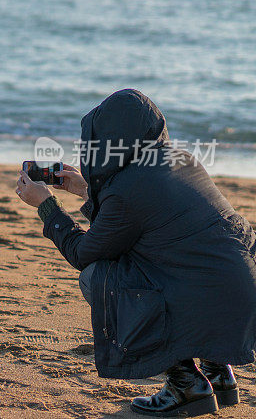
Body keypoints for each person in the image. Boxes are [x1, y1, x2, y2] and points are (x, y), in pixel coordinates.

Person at [15, 89, 256, 417]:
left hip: (207, 297)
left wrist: (46, 206)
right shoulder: (181, 160)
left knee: (96, 278)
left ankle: (184, 383)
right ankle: (218, 372)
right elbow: (143, 220)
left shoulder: (127, 190)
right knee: (182, 264)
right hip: (242, 293)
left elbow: (84, 253)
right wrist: (86, 190)